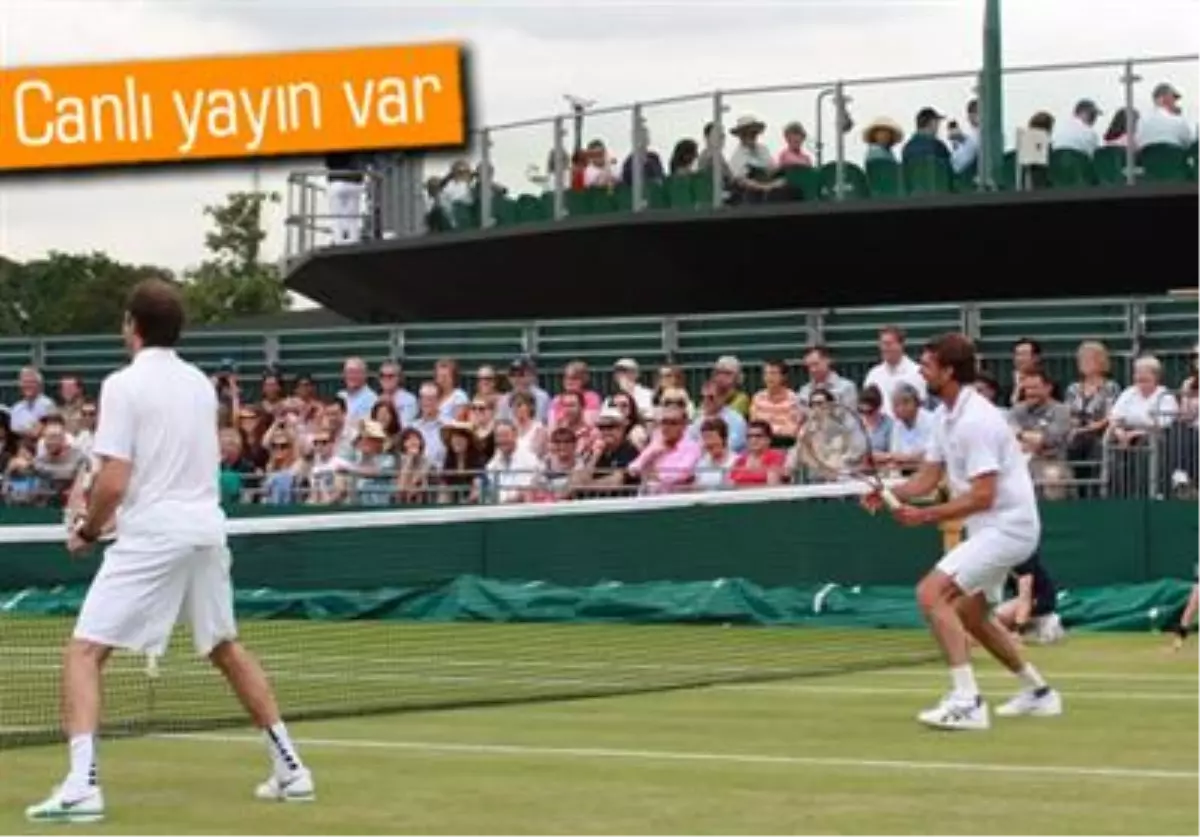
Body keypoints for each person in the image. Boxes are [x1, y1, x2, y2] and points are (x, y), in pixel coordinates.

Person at [27, 280, 314, 824]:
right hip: (204, 530)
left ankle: (81, 786)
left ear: (133, 326)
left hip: (156, 535)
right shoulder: (200, 388)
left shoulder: (122, 385)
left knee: (84, 652)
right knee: (225, 646)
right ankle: (292, 770)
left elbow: (113, 479)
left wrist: (87, 533)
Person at [867, 332, 1063, 731]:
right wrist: (889, 491)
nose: (921, 371)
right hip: (991, 526)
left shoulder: (977, 420)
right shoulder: (944, 416)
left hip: (1008, 527)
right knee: (971, 614)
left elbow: (983, 495)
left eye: (927, 365)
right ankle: (1039, 693)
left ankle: (966, 701)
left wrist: (925, 516)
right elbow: (927, 477)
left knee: (929, 593)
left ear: (949, 371)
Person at [993, 551, 1065, 645]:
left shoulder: (1024, 560)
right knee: (992, 620)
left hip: (1040, 602)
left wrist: (1018, 630)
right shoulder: (1000, 563)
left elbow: (1025, 598)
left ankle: (1046, 624)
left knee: (998, 616)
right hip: (1024, 604)